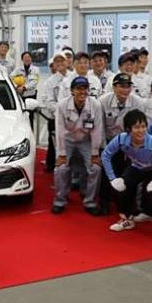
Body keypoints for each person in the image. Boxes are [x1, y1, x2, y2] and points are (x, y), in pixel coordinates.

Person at [102, 109, 152, 246]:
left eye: (143, 126)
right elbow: (106, 154)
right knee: (121, 186)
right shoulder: (121, 139)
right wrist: (112, 178)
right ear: (128, 129)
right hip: (137, 167)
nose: (141, 131)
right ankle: (127, 218)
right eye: (137, 127)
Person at [52, 76, 104, 215]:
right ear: (72, 91)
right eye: (79, 88)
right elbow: (59, 130)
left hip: (86, 141)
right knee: (61, 168)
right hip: (67, 140)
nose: (82, 92)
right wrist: (62, 154)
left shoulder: (95, 105)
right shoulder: (62, 105)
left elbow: (97, 130)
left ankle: (90, 201)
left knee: (95, 168)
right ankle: (60, 200)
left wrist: (95, 153)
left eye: (85, 88)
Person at [98, 73, 145, 212]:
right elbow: (100, 126)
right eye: (121, 86)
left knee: (130, 172)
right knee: (107, 171)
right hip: (109, 141)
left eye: (128, 87)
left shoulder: (137, 102)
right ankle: (105, 202)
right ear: (114, 87)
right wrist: (103, 148)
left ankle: (127, 203)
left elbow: (139, 127)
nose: (125, 90)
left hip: (129, 142)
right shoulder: (103, 101)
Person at [39, 52, 70, 172]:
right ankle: (52, 165)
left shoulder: (73, 77)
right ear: (54, 65)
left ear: (67, 62)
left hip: (74, 119)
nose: (60, 63)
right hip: (55, 118)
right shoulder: (50, 81)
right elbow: (49, 101)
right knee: (54, 144)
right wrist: (61, 113)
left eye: (62, 61)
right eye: (57, 62)